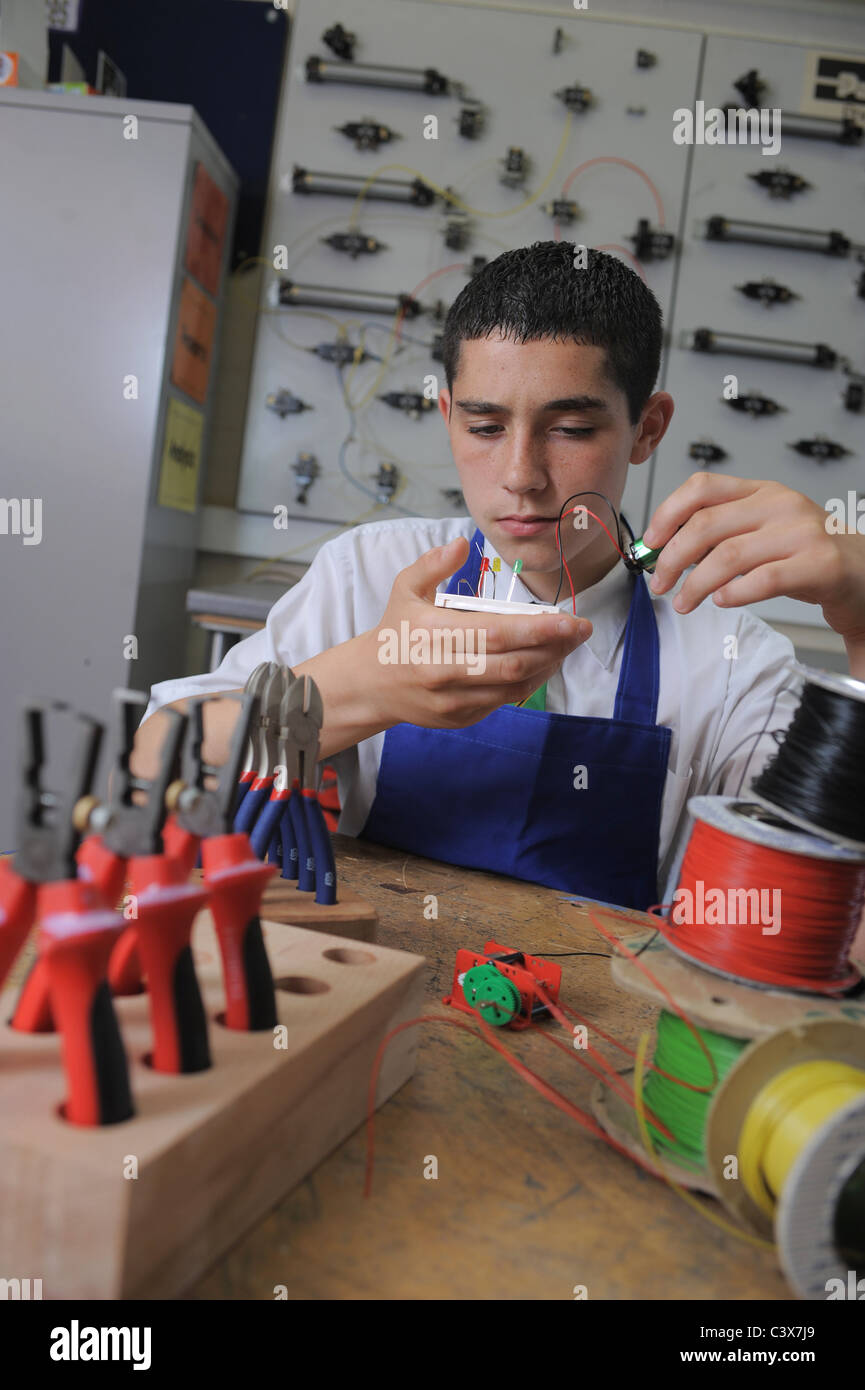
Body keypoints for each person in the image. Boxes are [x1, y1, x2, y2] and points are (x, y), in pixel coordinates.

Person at [135, 242, 865, 910]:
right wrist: (358, 687)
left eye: (571, 429)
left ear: (647, 428)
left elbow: (816, 914)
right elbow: (157, 753)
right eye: (484, 428)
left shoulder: (726, 654)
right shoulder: (373, 572)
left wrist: (861, 622)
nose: (520, 477)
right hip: (376, 991)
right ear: (447, 414)